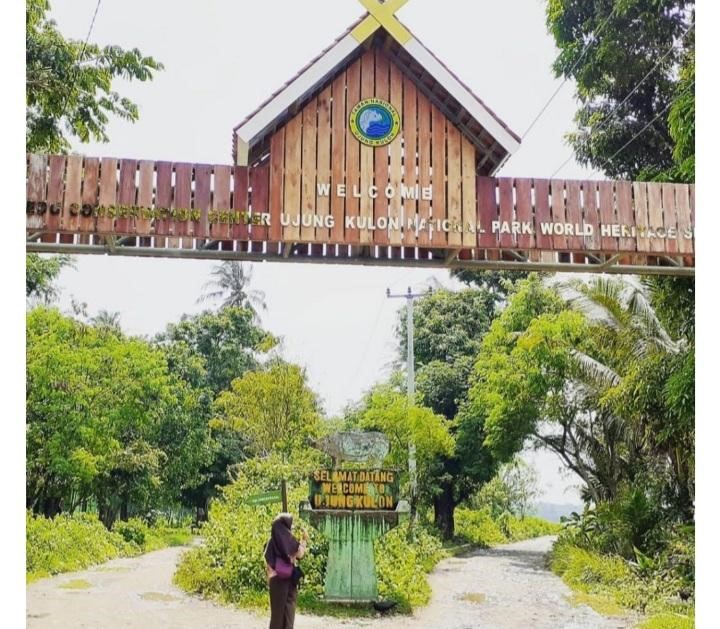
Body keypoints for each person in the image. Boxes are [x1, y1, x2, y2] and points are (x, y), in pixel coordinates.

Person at [264, 513, 308, 629]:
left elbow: (268, 563)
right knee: (289, 611)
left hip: (275, 581)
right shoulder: (289, 539)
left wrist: (271, 578)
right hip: (289, 580)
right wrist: (304, 540)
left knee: (276, 615)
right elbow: (300, 554)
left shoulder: (271, 542)